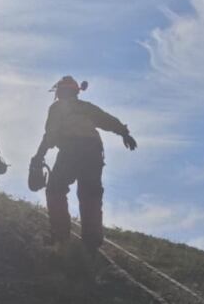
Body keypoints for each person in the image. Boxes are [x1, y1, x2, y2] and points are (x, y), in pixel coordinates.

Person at [31, 76, 137, 252]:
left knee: (55, 190)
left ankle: (60, 237)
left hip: (71, 150)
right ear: (75, 91)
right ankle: (92, 241)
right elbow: (107, 120)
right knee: (91, 195)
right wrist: (125, 133)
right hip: (94, 152)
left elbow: (50, 135)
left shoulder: (57, 108)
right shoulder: (86, 108)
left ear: (60, 92)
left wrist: (38, 156)